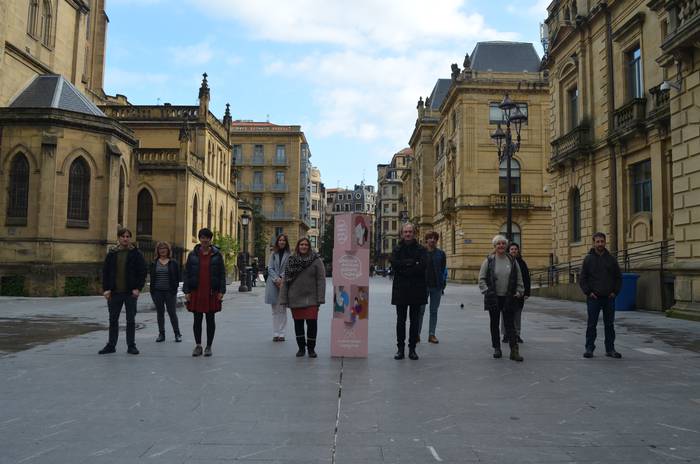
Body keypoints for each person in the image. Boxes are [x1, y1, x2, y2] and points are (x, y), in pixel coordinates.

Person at [99, 227, 147, 355]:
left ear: (130, 238)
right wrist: (106, 289)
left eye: (127, 236)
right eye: (123, 236)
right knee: (113, 320)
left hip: (130, 293)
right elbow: (106, 272)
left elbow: (142, 272)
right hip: (114, 293)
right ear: (118, 238)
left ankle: (131, 345)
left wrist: (138, 288)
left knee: (130, 320)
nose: (125, 239)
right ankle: (111, 345)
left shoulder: (136, 254)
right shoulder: (112, 253)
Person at [478, 235, 524, 361]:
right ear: (495, 246)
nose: (501, 246)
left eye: (503, 244)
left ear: (506, 245)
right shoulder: (489, 260)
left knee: (510, 324)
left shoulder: (513, 261)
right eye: (498, 244)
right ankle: (497, 348)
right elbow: (481, 279)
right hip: (494, 296)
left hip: (509, 296)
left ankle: (514, 350)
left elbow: (519, 278)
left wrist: (520, 291)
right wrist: (486, 291)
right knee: (494, 323)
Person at [279, 237, 326, 358]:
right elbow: (285, 281)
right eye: (301, 245)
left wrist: (320, 298)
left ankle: (311, 349)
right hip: (295, 297)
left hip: (312, 298)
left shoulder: (316, 260)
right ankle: (301, 348)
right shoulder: (292, 260)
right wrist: (283, 298)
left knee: (312, 324)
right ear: (298, 247)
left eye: (306, 245)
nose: (303, 247)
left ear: (309, 246)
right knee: (298, 324)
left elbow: (321, 280)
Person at [183, 228, 226, 357]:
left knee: (210, 319)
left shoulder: (217, 255)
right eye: (202, 237)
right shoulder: (192, 255)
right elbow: (187, 273)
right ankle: (198, 345)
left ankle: (208, 346)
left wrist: (222, 290)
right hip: (196, 290)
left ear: (210, 239)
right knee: (197, 319)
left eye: (207, 237)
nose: (205, 240)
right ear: (199, 239)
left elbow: (222, 274)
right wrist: (187, 290)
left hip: (211, 291)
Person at [579, 232, 622, 359]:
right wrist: (588, 292)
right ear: (594, 243)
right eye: (597, 242)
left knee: (609, 325)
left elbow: (618, 277)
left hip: (609, 298)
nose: (600, 244)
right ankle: (589, 348)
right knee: (592, 324)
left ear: (605, 242)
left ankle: (610, 349)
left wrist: (615, 292)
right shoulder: (588, 259)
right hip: (594, 298)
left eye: (602, 241)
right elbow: (583, 278)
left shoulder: (611, 259)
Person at [390, 223, 427, 361]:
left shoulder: (421, 249)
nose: (408, 234)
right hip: (401, 290)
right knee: (401, 321)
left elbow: (423, 266)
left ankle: (412, 349)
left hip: (417, 289)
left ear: (414, 233)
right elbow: (394, 264)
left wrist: (404, 265)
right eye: (405, 231)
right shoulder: (397, 249)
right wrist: (412, 264)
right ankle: (400, 349)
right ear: (402, 233)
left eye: (410, 231)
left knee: (415, 321)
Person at [416, 231, 447, 344]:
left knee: (434, 311)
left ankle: (431, 335)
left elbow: (443, 269)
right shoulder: (421, 252)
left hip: (436, 286)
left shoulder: (441, 254)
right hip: (422, 286)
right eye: (430, 238)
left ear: (437, 240)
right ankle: (417, 334)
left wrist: (443, 283)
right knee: (420, 311)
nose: (432, 240)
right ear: (426, 240)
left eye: (434, 238)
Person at [149, 241, 182, 343]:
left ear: (168, 250)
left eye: (164, 248)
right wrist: (153, 292)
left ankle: (177, 334)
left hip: (170, 292)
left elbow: (177, 277)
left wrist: (174, 289)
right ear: (157, 251)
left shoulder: (174, 263)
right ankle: (161, 334)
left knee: (172, 313)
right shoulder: (154, 263)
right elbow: (152, 277)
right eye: (160, 248)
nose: (162, 250)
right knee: (160, 313)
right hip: (157, 292)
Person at [501, 243, 530, 344]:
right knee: (505, 314)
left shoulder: (522, 263)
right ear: (509, 251)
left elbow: (527, 278)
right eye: (512, 249)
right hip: (506, 293)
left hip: (519, 293)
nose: (513, 251)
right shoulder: (504, 262)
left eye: (515, 249)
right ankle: (506, 334)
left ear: (518, 251)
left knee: (517, 315)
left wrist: (526, 292)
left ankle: (517, 334)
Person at [265, 233, 290, 342]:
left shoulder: (289, 254)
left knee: (283, 310)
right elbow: (270, 268)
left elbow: (289, 268)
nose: (282, 242)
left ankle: (282, 333)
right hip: (273, 284)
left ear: (286, 242)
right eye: (280, 240)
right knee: (275, 310)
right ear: (277, 242)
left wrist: (282, 278)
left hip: (284, 283)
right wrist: (276, 279)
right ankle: (275, 333)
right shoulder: (273, 254)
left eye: (284, 240)